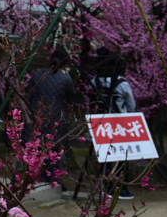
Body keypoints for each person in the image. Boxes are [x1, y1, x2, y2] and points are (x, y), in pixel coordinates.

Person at [26, 47, 77, 186]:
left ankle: (36, 176)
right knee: (53, 150)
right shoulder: (65, 79)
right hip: (55, 120)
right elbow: (72, 97)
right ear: (65, 63)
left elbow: (29, 92)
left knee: (37, 148)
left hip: (37, 117)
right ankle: (52, 180)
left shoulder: (38, 74)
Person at [89, 49, 136, 200]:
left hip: (99, 123)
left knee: (105, 157)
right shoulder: (122, 83)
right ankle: (121, 188)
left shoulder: (93, 82)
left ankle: (106, 187)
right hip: (119, 123)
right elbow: (131, 105)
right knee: (122, 156)